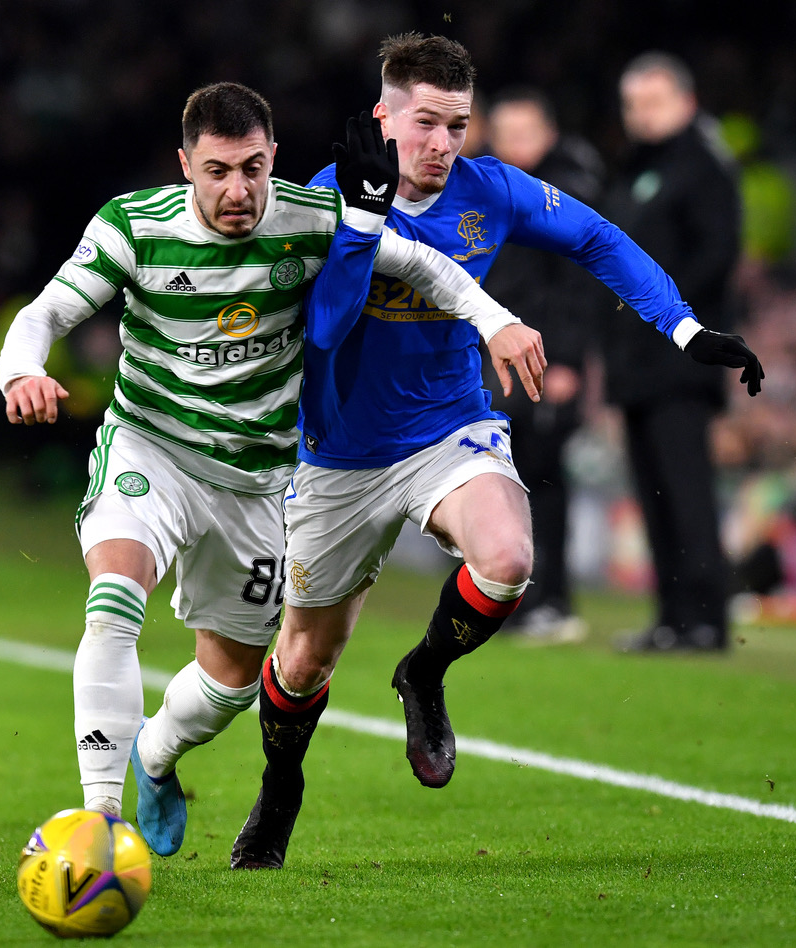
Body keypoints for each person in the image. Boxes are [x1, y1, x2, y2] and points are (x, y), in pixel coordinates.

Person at [230, 34, 763, 870]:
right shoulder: (323, 198)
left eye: (458, 124)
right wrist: (362, 221)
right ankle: (280, 785)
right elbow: (325, 328)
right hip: (340, 454)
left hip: (449, 429)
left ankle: (424, 672)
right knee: (302, 662)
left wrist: (685, 328)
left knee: (510, 560)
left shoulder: (492, 190)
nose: (444, 144)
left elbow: (597, 238)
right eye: (426, 123)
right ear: (383, 116)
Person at [0, 81, 538, 858]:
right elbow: (46, 310)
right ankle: (100, 821)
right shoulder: (133, 225)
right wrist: (21, 369)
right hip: (152, 447)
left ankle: (155, 753)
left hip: (257, 480)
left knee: (230, 687)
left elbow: (423, 264)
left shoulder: (307, 219)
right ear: (185, 164)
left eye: (252, 168)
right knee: (114, 600)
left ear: (273, 159)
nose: (237, 190)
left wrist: (497, 320)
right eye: (217, 171)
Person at [601, 52, 745, 653]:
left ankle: (707, 618)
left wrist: (661, 308)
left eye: (654, 102)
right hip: (635, 361)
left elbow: (717, 255)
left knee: (686, 490)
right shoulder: (635, 168)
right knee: (655, 493)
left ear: (687, 102)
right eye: (633, 104)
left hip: (681, 357)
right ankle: (671, 616)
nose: (642, 114)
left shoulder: (703, 166)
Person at [482, 87, 607, 642]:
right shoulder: (495, 188)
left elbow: (578, 286)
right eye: (505, 134)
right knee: (503, 476)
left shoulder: (564, 193)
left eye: (524, 133)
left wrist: (567, 361)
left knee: (543, 478)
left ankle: (551, 597)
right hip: (499, 358)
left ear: (549, 134)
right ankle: (510, 594)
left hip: (544, 359)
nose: (514, 145)